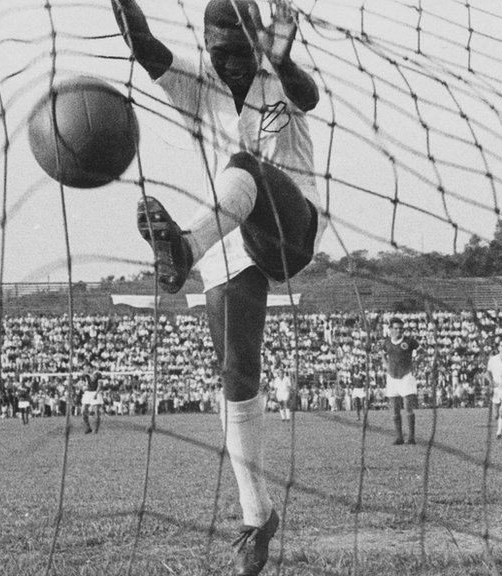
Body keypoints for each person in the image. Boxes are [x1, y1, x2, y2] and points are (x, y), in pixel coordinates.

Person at [111, 0, 324, 573]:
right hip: (230, 243)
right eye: (215, 51)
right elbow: (144, 44)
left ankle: (183, 247)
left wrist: (281, 58)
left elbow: (307, 96)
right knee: (236, 375)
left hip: (291, 224)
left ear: (254, 40)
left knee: (244, 164)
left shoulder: (275, 72)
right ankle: (258, 517)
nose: (223, 62)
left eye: (234, 51)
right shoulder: (197, 81)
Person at [381, 317, 421, 445]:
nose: (399, 331)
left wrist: (416, 365)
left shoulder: (409, 342)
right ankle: (399, 437)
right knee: (394, 409)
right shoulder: (386, 342)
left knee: (408, 408)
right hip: (392, 377)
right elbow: (382, 353)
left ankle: (411, 437)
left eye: (401, 328)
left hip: (406, 377)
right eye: (396, 328)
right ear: (390, 329)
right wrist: (385, 364)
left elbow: (422, 352)